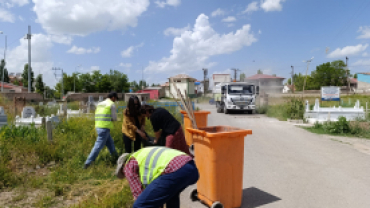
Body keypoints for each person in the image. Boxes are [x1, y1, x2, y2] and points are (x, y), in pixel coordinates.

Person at [115, 147, 199, 208]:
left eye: (123, 173)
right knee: (171, 197)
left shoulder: (128, 164)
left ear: (123, 165)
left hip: (175, 170)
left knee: (139, 205)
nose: (125, 175)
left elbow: (138, 194)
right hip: (191, 168)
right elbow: (157, 192)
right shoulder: (142, 155)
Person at [84, 92, 119, 169]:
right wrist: (116, 119)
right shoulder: (111, 105)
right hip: (105, 127)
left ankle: (116, 159)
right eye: (116, 98)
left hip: (98, 126)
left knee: (110, 143)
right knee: (98, 146)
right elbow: (114, 118)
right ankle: (87, 163)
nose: (116, 100)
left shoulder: (100, 103)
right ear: (113, 97)